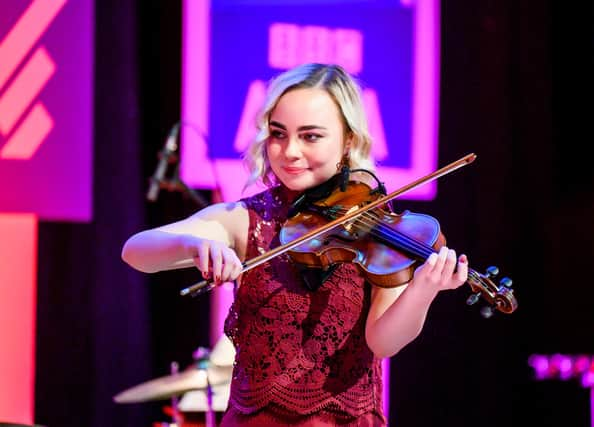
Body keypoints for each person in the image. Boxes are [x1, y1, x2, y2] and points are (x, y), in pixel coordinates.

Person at [121, 63, 468, 426]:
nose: (289, 151)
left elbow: (383, 343)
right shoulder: (250, 219)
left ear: (348, 140)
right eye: (278, 134)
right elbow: (136, 251)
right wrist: (193, 242)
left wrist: (424, 290)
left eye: (311, 136)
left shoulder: (376, 225)